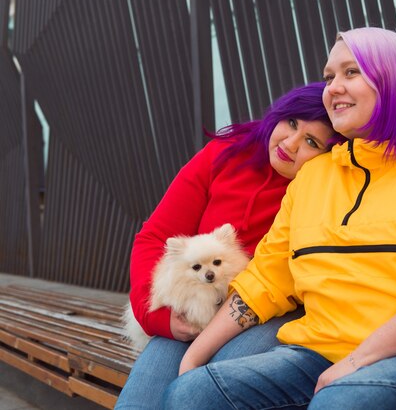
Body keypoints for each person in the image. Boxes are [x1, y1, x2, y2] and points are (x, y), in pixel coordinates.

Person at [163, 27, 396, 410]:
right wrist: (193, 361)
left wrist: (356, 362)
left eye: (351, 72)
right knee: (194, 393)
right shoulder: (314, 179)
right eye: (329, 76)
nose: (333, 87)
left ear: (394, 80)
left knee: (343, 401)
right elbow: (265, 280)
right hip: (323, 356)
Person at [115, 82, 344, 409]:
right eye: (291, 123)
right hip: (200, 300)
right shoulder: (224, 153)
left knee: (207, 386)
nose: (290, 144)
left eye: (311, 141)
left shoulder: (325, 192)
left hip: (270, 312)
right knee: (141, 401)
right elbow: (155, 236)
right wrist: (157, 317)